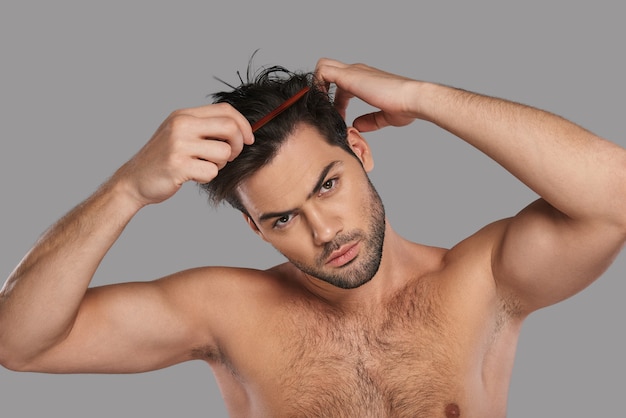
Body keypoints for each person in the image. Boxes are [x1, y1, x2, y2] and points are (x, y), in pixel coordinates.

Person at [1, 57, 624, 418]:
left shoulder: (480, 282)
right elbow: (18, 342)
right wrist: (127, 189)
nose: (325, 233)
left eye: (327, 185)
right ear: (255, 228)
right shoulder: (224, 312)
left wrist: (423, 97)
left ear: (359, 149)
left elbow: (614, 195)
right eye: (282, 218)